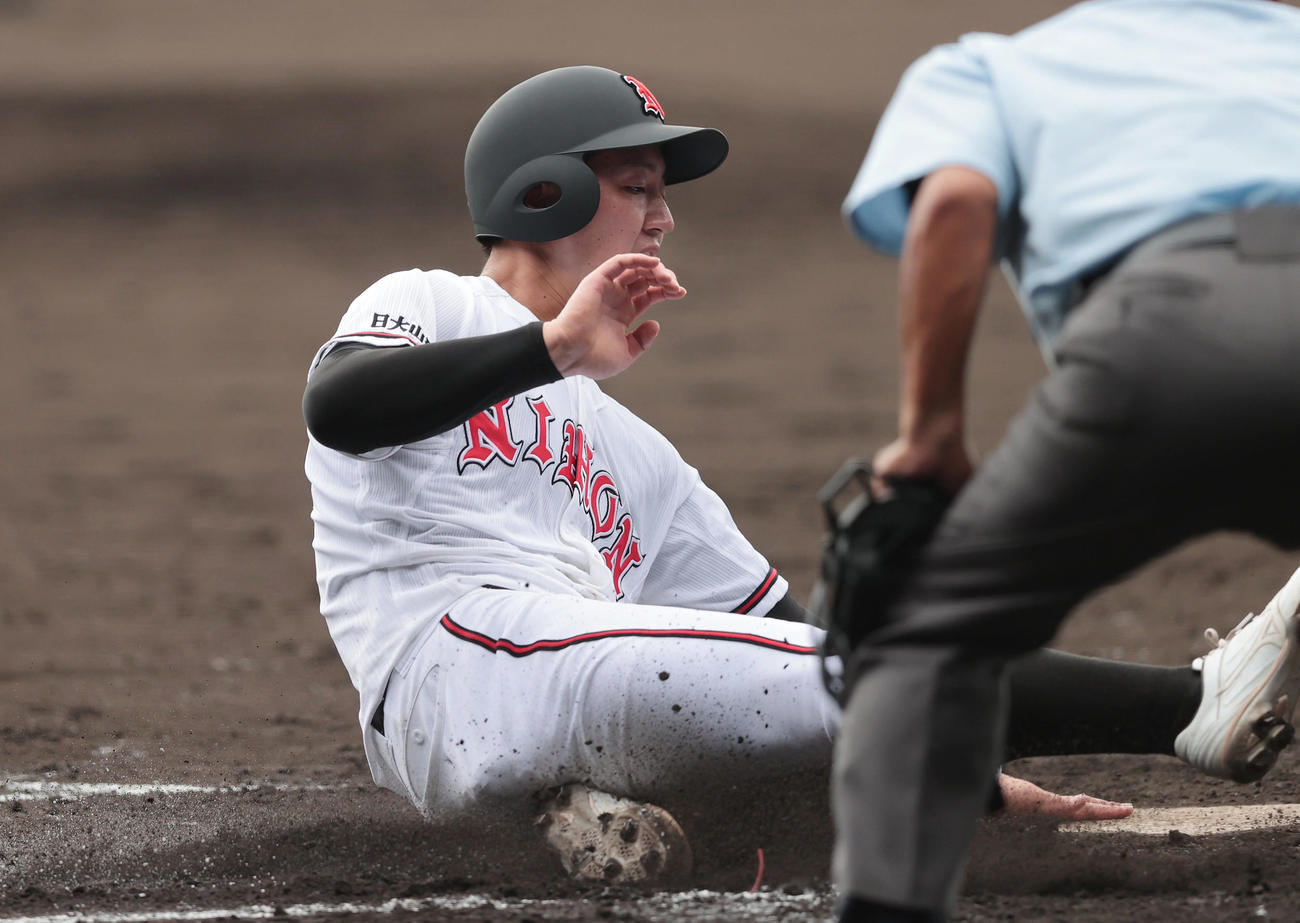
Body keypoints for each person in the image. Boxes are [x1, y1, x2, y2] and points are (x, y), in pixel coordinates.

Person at [302, 65, 1258, 886]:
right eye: (639, 187)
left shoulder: (639, 457)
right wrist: (551, 348)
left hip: (559, 683)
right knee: (858, 683)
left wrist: (958, 762)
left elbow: (792, 640)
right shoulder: (430, 303)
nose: (665, 217)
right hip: (453, 663)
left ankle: (576, 813)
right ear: (545, 197)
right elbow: (340, 408)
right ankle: (1191, 704)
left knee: (826, 745)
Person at [831, 1, 1300, 920]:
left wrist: (930, 436)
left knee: (924, 633)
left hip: (1158, 341)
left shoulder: (985, 66)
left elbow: (954, 204)